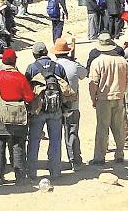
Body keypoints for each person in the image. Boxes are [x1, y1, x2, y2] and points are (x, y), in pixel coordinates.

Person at [0, 48, 35, 185]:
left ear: (2, 61)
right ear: (15, 61)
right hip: (18, 117)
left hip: (0, 116)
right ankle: (19, 177)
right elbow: (30, 97)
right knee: (18, 146)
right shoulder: (21, 77)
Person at [25, 42, 70, 179]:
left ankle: (32, 173)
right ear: (46, 52)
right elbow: (65, 89)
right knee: (56, 141)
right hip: (56, 110)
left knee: (34, 141)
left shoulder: (32, 68)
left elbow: (27, 90)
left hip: (38, 109)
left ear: (34, 54)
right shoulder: (58, 67)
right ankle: (55, 172)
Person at [88, 35, 128, 164]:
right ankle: (119, 153)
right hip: (119, 96)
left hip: (104, 98)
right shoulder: (122, 60)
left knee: (102, 128)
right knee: (119, 127)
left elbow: (93, 83)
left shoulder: (97, 62)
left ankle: (100, 157)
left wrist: (93, 98)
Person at [52, 38, 87, 170]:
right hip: (73, 105)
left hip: (56, 106)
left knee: (56, 136)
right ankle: (75, 161)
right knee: (72, 133)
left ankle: (56, 163)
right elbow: (84, 74)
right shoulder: (74, 65)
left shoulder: (53, 65)